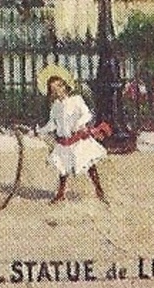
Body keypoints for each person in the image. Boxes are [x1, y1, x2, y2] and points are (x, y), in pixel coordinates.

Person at [35, 64, 107, 203]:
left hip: (78, 139)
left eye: (60, 87)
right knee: (62, 168)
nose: (58, 91)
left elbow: (87, 114)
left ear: (65, 86)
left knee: (89, 164)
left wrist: (80, 123)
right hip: (64, 141)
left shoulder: (76, 100)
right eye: (54, 90)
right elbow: (53, 123)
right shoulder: (55, 106)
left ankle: (99, 190)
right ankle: (60, 194)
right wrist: (41, 130)